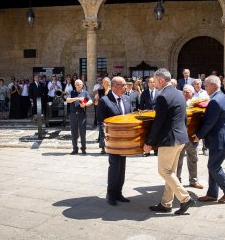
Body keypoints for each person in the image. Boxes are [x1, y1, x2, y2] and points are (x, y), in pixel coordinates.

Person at [143, 68, 196, 215]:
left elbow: (158, 123)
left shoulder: (162, 96)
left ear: (161, 80)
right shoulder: (179, 93)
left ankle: (185, 198)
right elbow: (183, 118)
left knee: (164, 171)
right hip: (180, 138)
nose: (154, 84)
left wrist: (149, 142)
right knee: (170, 172)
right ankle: (166, 204)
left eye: (155, 80)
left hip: (169, 140)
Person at [192, 75, 225, 203]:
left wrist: (198, 135)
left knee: (213, 167)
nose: (205, 88)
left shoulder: (215, 101)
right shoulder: (223, 97)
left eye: (206, 85)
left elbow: (209, 122)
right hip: (221, 138)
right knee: (213, 165)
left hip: (218, 139)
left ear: (214, 85)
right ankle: (212, 194)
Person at [98, 76, 132, 205]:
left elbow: (130, 117)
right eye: (123, 85)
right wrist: (104, 140)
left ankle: (119, 193)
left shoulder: (127, 99)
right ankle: (111, 194)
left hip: (125, 140)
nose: (126, 87)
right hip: (112, 141)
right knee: (114, 166)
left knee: (122, 166)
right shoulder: (104, 101)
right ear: (115, 86)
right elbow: (101, 122)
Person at [176, 84, 204, 189]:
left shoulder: (198, 103)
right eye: (184, 91)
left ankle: (193, 180)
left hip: (193, 137)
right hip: (180, 137)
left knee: (193, 159)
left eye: (187, 92)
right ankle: (177, 181)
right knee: (178, 160)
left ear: (193, 93)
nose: (185, 93)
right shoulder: (179, 102)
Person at [66, 79, 92, 155]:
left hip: (82, 114)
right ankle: (75, 149)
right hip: (73, 115)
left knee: (83, 133)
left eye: (80, 84)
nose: (78, 85)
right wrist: (77, 98)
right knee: (74, 133)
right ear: (74, 85)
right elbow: (67, 100)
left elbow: (90, 101)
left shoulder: (85, 92)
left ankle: (83, 149)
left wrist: (85, 104)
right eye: (77, 84)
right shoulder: (72, 92)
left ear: (82, 85)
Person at [140, 76, 158, 156]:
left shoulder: (159, 92)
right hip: (147, 116)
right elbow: (141, 105)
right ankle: (147, 151)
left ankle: (156, 150)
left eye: (153, 82)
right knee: (147, 133)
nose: (152, 83)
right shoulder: (144, 93)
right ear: (148, 84)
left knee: (156, 132)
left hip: (156, 116)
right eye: (150, 82)